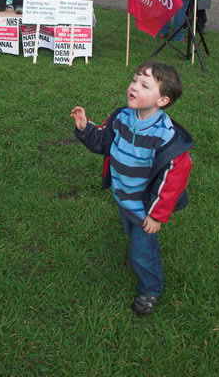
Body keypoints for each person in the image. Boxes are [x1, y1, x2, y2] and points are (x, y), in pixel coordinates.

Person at [71, 61, 193, 315]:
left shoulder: (166, 137)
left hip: (144, 208)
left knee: (142, 252)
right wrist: (85, 129)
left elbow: (172, 182)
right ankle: (142, 253)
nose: (134, 86)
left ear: (162, 101)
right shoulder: (121, 117)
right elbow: (104, 142)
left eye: (144, 85)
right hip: (123, 198)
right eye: (135, 80)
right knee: (133, 236)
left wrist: (156, 215)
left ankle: (150, 288)